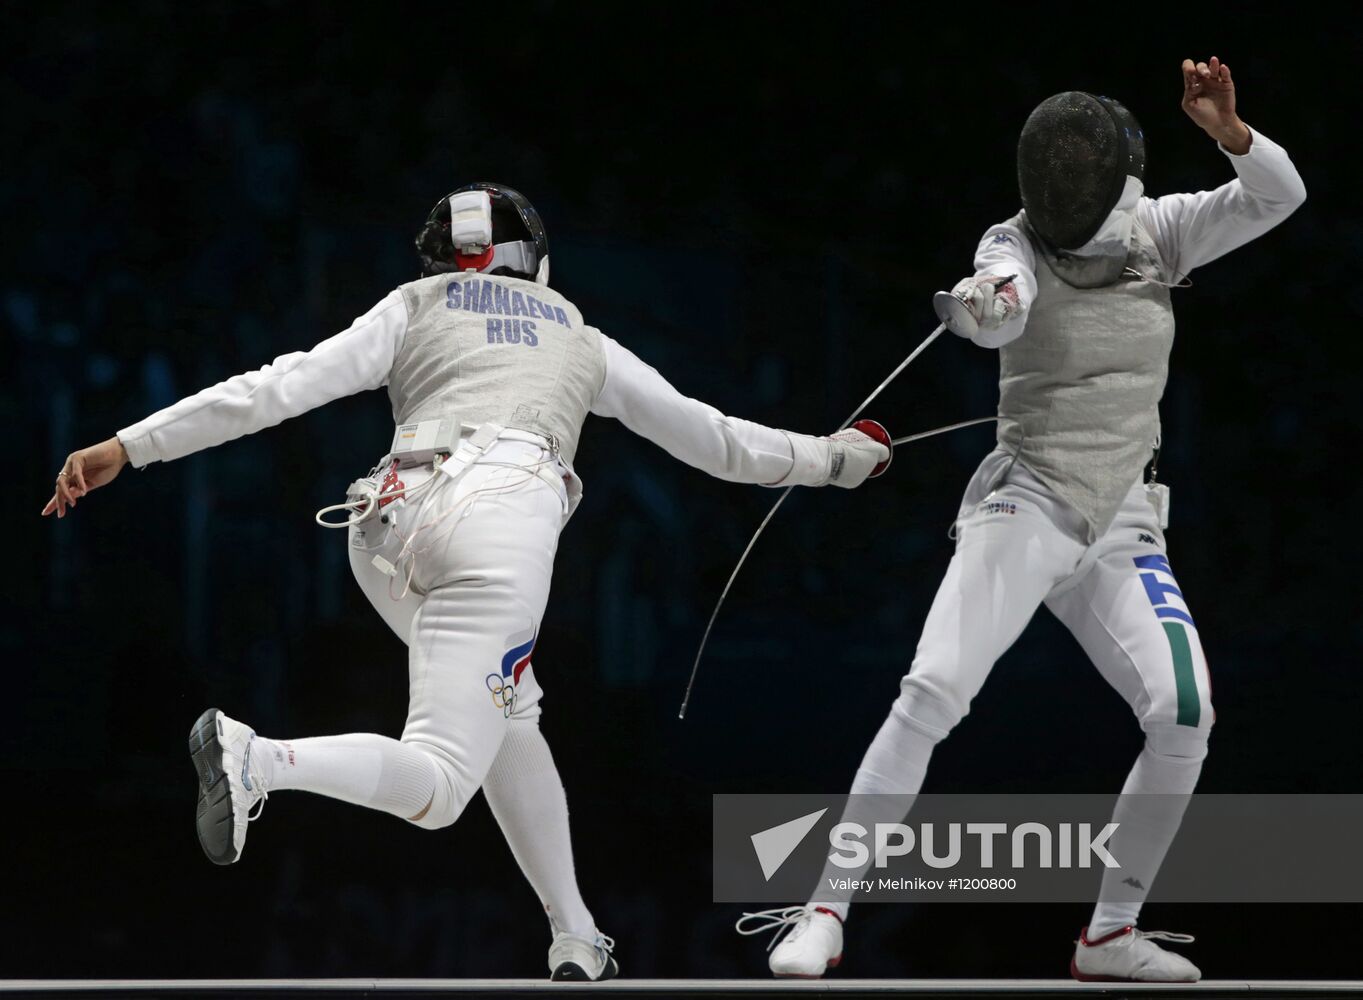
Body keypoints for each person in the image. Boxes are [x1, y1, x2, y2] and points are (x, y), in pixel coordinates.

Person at [43, 182, 890, 982]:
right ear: (533, 260)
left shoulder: (411, 307)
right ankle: (258, 757)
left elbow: (275, 387)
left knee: (511, 710)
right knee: (444, 782)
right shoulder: (578, 337)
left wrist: (128, 445)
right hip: (498, 524)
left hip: (384, 522)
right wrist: (839, 460)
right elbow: (720, 443)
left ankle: (575, 934)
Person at [741, 57, 1305, 983]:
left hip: (1122, 519)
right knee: (931, 690)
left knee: (1183, 710)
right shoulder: (1011, 242)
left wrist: (1230, 135)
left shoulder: (1161, 231)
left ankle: (1109, 935)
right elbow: (1003, 304)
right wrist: (983, 304)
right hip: (1027, 501)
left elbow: (1278, 197)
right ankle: (824, 912)